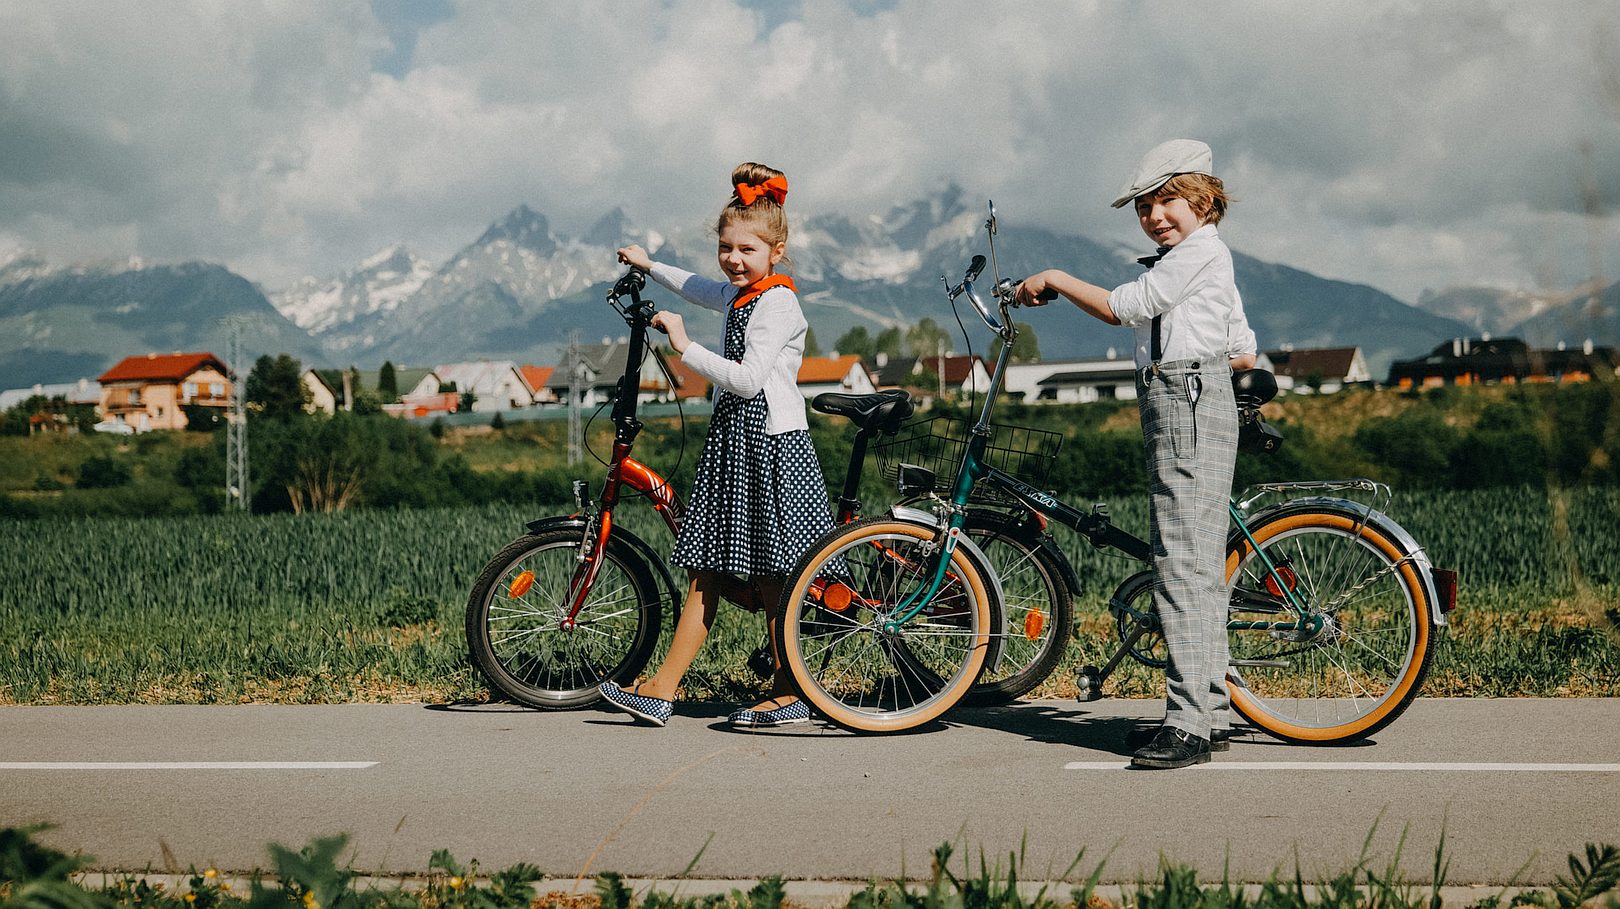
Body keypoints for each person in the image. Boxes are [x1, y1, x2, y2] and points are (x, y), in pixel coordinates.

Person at [1015, 139, 1257, 769]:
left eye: (1167, 201)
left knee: (1180, 562)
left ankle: (1187, 725)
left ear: (1203, 200)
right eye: (1145, 207)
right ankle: (1208, 710)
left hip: (1186, 399)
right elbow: (1243, 345)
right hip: (1191, 395)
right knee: (1196, 563)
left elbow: (1128, 307)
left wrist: (1058, 279)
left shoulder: (1200, 252)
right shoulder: (1202, 257)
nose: (1155, 216)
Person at [601, 162, 832, 730]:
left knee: (780, 576)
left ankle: (791, 689)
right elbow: (705, 289)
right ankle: (662, 689)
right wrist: (650, 266)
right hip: (738, 444)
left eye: (747, 249)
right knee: (708, 568)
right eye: (726, 247)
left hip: (772, 448)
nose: (733, 258)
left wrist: (685, 346)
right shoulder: (744, 293)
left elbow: (750, 379)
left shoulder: (777, 303)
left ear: (776, 250)